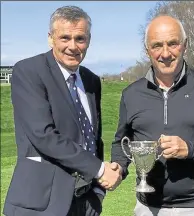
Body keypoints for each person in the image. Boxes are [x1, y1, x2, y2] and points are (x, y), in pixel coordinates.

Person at [110, 15, 194, 216]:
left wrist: (190, 149)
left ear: (185, 45)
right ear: (147, 51)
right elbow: (122, 142)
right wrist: (118, 168)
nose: (165, 53)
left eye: (173, 43)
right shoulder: (131, 94)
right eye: (156, 46)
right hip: (148, 208)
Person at [3, 5, 121, 216]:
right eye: (65, 38)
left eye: (80, 38)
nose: (73, 46)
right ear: (51, 38)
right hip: (42, 204)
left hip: (86, 203)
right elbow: (43, 135)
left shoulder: (91, 80)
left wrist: (97, 191)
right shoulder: (29, 71)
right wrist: (100, 169)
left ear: (89, 40)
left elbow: (93, 138)